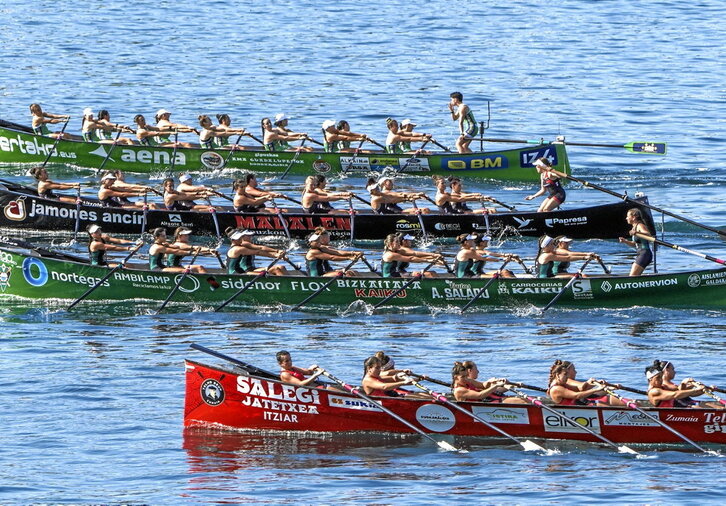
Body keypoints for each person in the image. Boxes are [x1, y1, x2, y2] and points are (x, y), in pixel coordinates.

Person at [547, 360, 623, 406]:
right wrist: (595, 389)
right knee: (601, 404)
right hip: (575, 411)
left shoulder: (562, 383)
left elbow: (579, 389)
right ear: (557, 375)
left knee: (602, 402)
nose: (567, 377)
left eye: (567, 374)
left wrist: (592, 383)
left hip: (578, 407)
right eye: (565, 374)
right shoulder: (556, 389)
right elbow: (577, 395)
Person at [451, 361, 525, 403]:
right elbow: (480, 395)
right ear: (455, 377)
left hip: (488, 400)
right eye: (463, 377)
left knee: (523, 400)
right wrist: (495, 386)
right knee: (522, 402)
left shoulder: (468, 380)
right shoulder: (459, 390)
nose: (465, 379)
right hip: (484, 404)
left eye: (466, 376)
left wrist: (492, 381)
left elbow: (483, 385)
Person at [644, 364, 713, 408]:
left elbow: (680, 391)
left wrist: (705, 389)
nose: (660, 380)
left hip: (675, 411)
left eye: (661, 377)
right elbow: (675, 394)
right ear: (650, 379)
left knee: (713, 406)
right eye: (657, 378)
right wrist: (696, 389)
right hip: (670, 416)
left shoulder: (662, 387)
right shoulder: (654, 391)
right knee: (697, 408)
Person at [618, 208, 653, 276]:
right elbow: (635, 244)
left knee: (632, 276)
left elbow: (649, 235)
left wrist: (636, 232)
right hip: (641, 254)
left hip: (645, 254)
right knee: (634, 275)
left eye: (628, 216)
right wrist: (625, 241)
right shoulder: (634, 227)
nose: (626, 218)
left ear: (633, 217)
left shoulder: (640, 225)